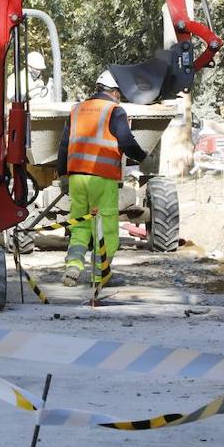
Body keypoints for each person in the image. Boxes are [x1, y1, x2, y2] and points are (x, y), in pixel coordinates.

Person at [56, 70, 147, 287]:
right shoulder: (114, 111)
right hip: (102, 177)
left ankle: (73, 267)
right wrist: (143, 157)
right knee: (105, 228)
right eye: (120, 94)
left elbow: (64, 145)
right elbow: (125, 141)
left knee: (79, 224)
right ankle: (100, 276)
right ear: (115, 92)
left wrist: (63, 174)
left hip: (77, 178)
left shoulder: (77, 110)